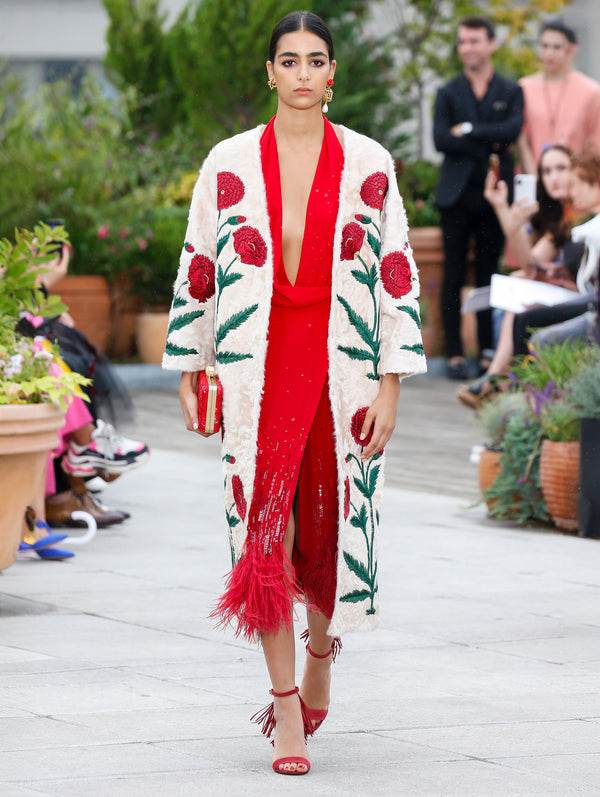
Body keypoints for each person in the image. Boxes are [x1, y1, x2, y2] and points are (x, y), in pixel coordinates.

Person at [162, 10, 426, 776]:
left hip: (343, 365)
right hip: (260, 365)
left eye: (316, 60)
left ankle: (319, 654)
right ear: (270, 73)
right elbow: (199, 264)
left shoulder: (370, 161)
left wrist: (392, 384)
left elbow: (396, 277)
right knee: (265, 533)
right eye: (289, 60)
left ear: (332, 73)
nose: (303, 73)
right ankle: (285, 708)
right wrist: (190, 362)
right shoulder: (229, 161)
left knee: (330, 524)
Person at [459, 147, 600, 407]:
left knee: (523, 301)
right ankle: (505, 386)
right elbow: (532, 262)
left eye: (561, 169)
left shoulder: (581, 216)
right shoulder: (563, 217)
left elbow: (539, 265)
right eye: (546, 171)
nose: (555, 177)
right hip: (577, 294)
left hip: (584, 298)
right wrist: (503, 210)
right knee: (521, 287)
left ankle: (503, 384)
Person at [433, 16, 524, 380]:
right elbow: (441, 139)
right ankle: (455, 353)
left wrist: (469, 130)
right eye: (462, 42)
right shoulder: (448, 92)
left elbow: (512, 130)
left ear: (491, 44)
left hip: (495, 195)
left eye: (474, 41)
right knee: (453, 273)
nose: (467, 48)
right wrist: (490, 141)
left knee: (489, 273)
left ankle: (487, 351)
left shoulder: (510, 90)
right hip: (456, 196)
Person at [518, 19, 600, 175]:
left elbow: (595, 144)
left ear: (572, 50)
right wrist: (536, 179)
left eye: (557, 47)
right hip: (533, 177)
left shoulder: (591, 91)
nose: (549, 53)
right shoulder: (524, 87)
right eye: (544, 46)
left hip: (576, 178)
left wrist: (575, 179)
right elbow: (521, 140)